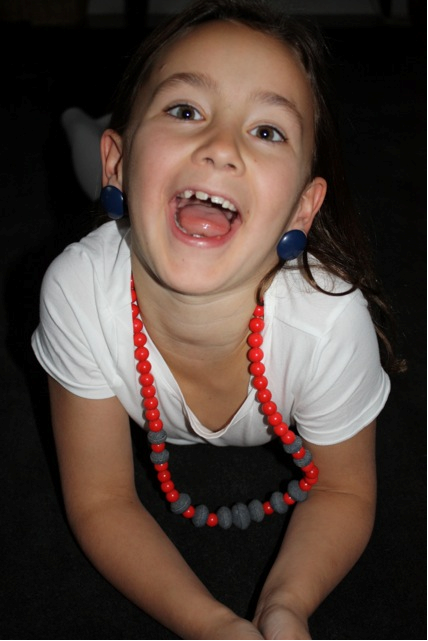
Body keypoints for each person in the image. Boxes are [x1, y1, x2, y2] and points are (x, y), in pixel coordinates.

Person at [31, 0, 405, 638]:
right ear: (120, 158)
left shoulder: (328, 323)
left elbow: (345, 491)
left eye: (267, 131)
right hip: (112, 183)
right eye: (185, 111)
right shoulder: (78, 290)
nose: (221, 147)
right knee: (88, 176)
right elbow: (101, 500)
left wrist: (286, 605)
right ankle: (78, 125)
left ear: (302, 209)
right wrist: (210, 626)